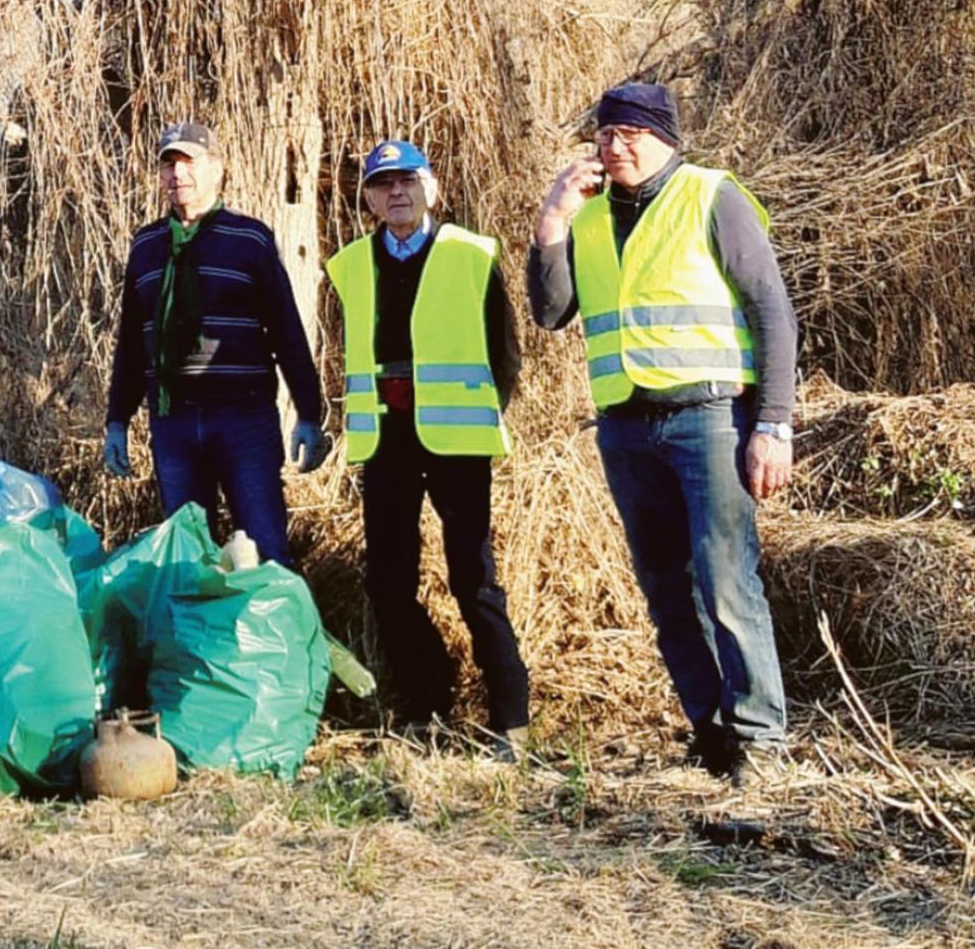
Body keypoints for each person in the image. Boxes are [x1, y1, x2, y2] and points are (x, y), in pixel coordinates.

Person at [528, 82, 797, 784]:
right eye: (604, 134)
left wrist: (773, 423)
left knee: (725, 577)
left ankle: (762, 741)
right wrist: (553, 221)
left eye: (630, 134)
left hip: (709, 418)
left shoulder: (711, 196)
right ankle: (713, 734)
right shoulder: (588, 218)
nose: (614, 146)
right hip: (626, 427)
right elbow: (551, 312)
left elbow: (772, 310)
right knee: (665, 588)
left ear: (665, 139)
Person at [325, 139, 530, 757]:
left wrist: (478, 413)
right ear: (368, 198)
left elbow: (505, 355)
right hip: (385, 440)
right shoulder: (350, 265)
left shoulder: (470, 254)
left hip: (456, 442)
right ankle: (428, 704)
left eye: (407, 181)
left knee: (474, 579)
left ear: (430, 189)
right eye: (382, 184)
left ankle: (510, 718)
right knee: (388, 583)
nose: (396, 193)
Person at [103, 122, 327, 567]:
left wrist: (308, 413)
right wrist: (117, 420)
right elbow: (132, 341)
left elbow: (285, 329)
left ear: (217, 169)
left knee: (265, 548)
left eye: (189, 162)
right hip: (173, 424)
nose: (177, 174)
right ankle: (198, 615)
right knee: (188, 555)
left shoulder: (249, 239)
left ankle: (272, 614)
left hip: (243, 421)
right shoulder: (147, 246)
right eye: (168, 164)